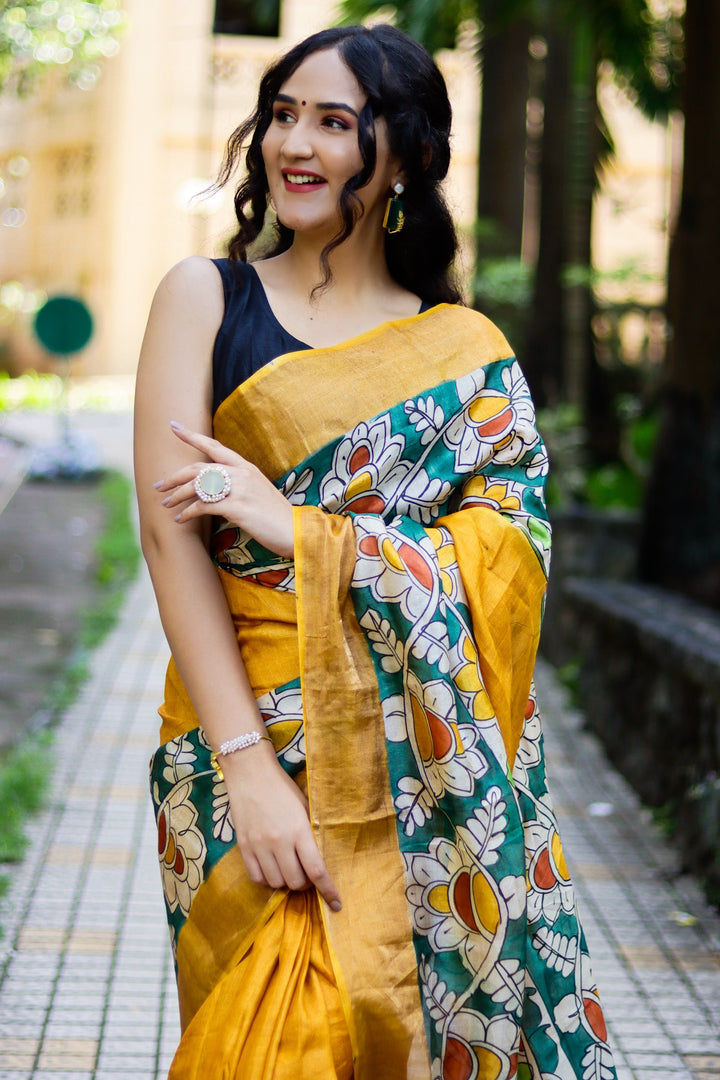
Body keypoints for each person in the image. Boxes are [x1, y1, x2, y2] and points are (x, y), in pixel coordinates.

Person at [135, 23, 617, 1080]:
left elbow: (511, 552)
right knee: (272, 1037)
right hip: (240, 738)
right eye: (282, 113)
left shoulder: (464, 353)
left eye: (334, 121)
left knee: (388, 1037)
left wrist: (305, 532)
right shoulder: (205, 299)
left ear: (403, 155)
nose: (292, 144)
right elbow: (171, 546)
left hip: (418, 766)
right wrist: (250, 771)